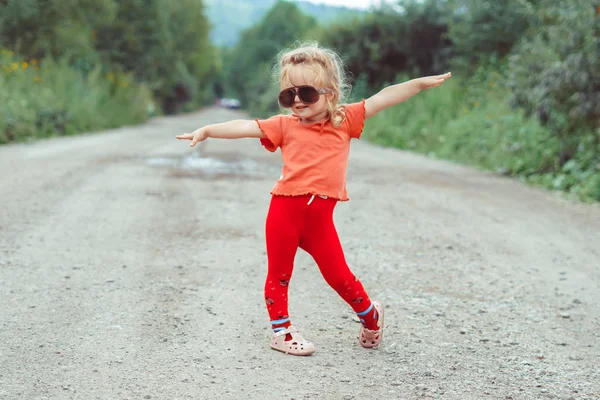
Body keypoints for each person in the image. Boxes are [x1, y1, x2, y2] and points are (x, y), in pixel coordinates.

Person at [176, 42, 451, 356]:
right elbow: (243, 126)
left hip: (319, 220)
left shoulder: (345, 120)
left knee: (339, 276)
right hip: (284, 211)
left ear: (330, 93)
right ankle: (281, 331)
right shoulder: (283, 126)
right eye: (288, 95)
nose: (296, 101)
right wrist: (208, 130)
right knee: (279, 274)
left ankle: (371, 315)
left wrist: (418, 84)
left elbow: (383, 97)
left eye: (305, 93)